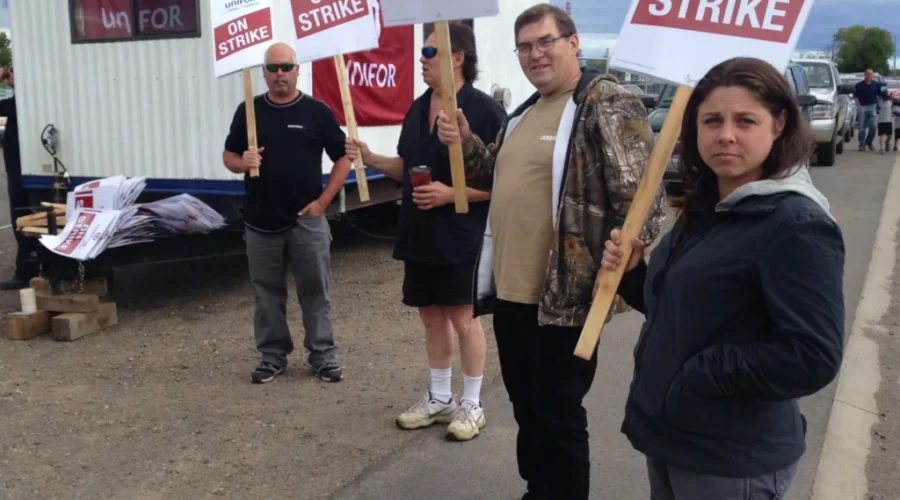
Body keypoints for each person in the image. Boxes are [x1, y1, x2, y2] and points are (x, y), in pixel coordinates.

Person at [435, 4, 666, 499]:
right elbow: (492, 174)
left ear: (574, 42)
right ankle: (539, 490)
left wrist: (629, 248)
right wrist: (465, 141)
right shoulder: (522, 112)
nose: (535, 54)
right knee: (527, 408)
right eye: (525, 46)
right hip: (513, 293)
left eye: (546, 42)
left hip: (567, 296)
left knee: (559, 416)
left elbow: (644, 196)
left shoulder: (604, 101)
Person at [601, 56, 845, 499]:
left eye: (745, 120)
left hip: (731, 458)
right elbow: (683, 306)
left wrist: (704, 373)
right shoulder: (710, 205)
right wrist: (633, 274)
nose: (726, 134)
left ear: (779, 124)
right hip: (677, 439)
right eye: (712, 120)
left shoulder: (795, 224)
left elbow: (812, 355)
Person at [345, 21, 506, 441]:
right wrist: (371, 157)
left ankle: (472, 404)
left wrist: (453, 194)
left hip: (460, 235)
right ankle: (440, 397)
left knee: (463, 317)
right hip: (419, 233)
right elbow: (406, 165)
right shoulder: (417, 108)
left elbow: (501, 183)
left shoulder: (484, 110)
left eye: (430, 52)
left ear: (458, 58)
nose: (421, 58)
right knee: (430, 317)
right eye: (422, 51)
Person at [223, 43, 350, 384]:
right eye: (273, 68)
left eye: (286, 67)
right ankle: (272, 356)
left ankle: (323, 355)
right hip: (260, 221)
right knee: (266, 293)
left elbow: (343, 157)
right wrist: (242, 162)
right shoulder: (248, 112)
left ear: (298, 70)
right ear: (263, 72)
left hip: (306, 220)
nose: (280, 74)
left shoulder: (317, 112)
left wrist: (324, 202)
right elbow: (229, 156)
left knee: (315, 291)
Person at [0, 66, 38, 290]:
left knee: (23, 219)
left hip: (21, 174)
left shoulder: (15, 105)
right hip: (24, 170)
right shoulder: (10, 107)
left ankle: (26, 271)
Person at [855, 68, 883, 151]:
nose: (869, 76)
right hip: (862, 107)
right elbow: (855, 96)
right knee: (861, 127)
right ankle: (862, 144)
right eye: (867, 74)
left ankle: (869, 141)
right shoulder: (859, 85)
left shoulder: (876, 84)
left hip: (873, 106)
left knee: (873, 126)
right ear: (865, 75)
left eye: (871, 74)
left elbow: (880, 95)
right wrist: (858, 105)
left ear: (872, 75)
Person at [877, 88, 893, 154]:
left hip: (889, 120)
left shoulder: (891, 101)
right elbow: (876, 110)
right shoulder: (878, 102)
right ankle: (882, 148)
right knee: (882, 135)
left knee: (889, 136)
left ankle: (887, 142)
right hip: (881, 121)